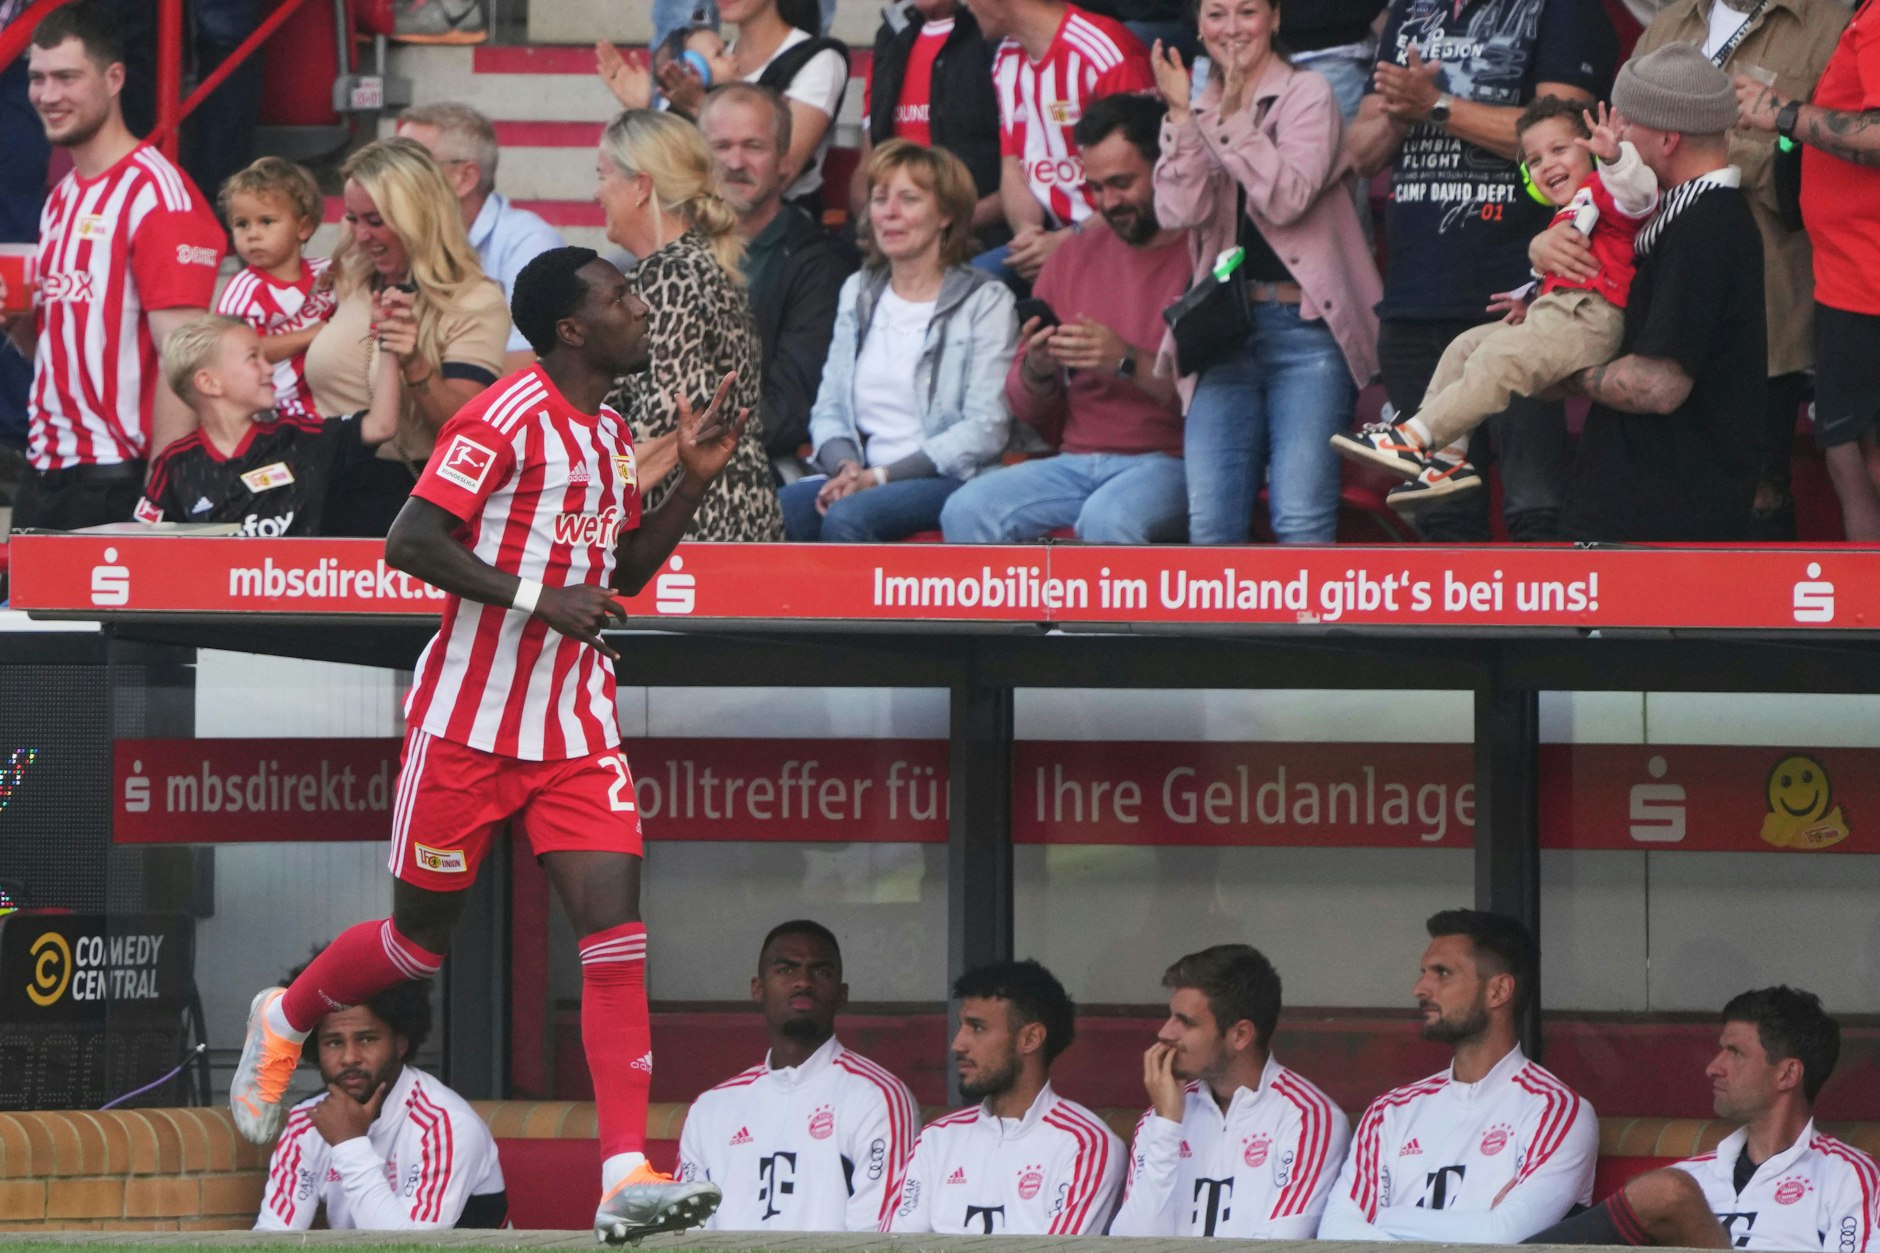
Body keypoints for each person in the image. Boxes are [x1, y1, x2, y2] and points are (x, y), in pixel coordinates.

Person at [227, 246, 747, 1245]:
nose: (641, 310)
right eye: (622, 298)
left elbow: (623, 569)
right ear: (570, 327)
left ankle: (624, 1172)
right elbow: (410, 538)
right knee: (415, 944)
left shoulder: (604, 433)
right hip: (467, 721)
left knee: (615, 941)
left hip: (574, 726)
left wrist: (686, 479)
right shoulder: (501, 415)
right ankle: (285, 1013)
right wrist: (534, 596)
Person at [1345, 0, 1616, 541]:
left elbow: (1562, 137)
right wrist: (1406, 109)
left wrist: (1436, 104)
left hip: (1516, 293)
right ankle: (1457, 631)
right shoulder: (1410, 11)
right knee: (1439, 510)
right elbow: (1360, 155)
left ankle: (1544, 628)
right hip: (1414, 296)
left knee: (1534, 504)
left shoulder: (1564, 11)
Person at [1334, 99, 1656, 511]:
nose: (1547, 165)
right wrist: (1531, 296)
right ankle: (1447, 459)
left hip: (1591, 320)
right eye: (1534, 159)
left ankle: (1414, 437)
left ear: (1591, 151)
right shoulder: (1566, 211)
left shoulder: (1608, 189)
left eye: (1560, 150)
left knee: (1497, 357)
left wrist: (1615, 158)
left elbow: (1641, 197)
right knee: (1464, 346)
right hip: (1555, 316)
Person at [1151, 0, 1382, 545]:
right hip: (1223, 333)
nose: (1231, 29)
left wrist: (1231, 121)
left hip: (1304, 330)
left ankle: (1298, 635)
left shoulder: (1310, 93)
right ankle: (1223, 636)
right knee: (1211, 528)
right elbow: (1177, 213)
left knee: (1301, 522)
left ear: (1275, 19)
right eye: (1216, 14)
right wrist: (1183, 117)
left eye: (1247, 12)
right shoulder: (1198, 105)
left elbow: (1287, 198)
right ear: (1199, 26)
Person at [6, 2, 223, 531]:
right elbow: (62, 350)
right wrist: (16, 322)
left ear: (114, 78)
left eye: (66, 77)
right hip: (45, 472)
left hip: (116, 482)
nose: (48, 95)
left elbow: (185, 362)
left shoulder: (158, 197)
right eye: (37, 78)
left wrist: (155, 504)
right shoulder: (60, 198)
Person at [1635, 0, 1846, 539]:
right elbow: (1621, 135)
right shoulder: (1672, 19)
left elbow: (1832, 153)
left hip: (1767, 290)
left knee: (1758, 488)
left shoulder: (1831, 20)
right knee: (1660, 480)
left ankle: (1764, 623)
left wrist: (1697, 156)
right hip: (1657, 276)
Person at [939, 94, 1192, 543]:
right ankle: (1020, 618)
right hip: (1077, 460)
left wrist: (1126, 360)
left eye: (1121, 183)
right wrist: (1038, 369)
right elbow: (1030, 408)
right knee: (967, 510)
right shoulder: (1071, 256)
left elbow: (1216, 403)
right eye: (1096, 188)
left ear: (1163, 166)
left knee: (1107, 520)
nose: (1108, 203)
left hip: (1174, 461)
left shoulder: (1203, 250)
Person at [1550, 44, 1765, 542]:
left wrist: (1563, 371)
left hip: (1661, 530)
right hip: (1641, 515)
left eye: (1627, 124)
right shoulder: (1671, 218)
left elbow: (1657, 385)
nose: (1614, 136)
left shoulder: (1706, 227)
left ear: (1668, 139)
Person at [782, 141, 1015, 541]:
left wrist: (880, 477)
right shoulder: (858, 290)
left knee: (848, 517)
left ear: (945, 214)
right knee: (774, 511)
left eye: (908, 199)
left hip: (949, 478)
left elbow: (985, 427)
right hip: (860, 472)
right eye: (880, 198)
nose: (889, 212)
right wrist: (847, 470)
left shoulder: (986, 300)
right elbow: (829, 407)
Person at [1318, 909, 1598, 1241]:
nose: (1420, 988)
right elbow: (1335, 1236)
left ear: (1498, 991)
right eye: (1424, 972)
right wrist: (1478, 1221)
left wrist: (1386, 1218)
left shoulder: (1555, 1110)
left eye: (1443, 973)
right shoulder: (1389, 1110)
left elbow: (1500, 1237)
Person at [1529, 987, 1874, 1250]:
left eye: (1735, 1052)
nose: (1713, 1068)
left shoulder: (1847, 1178)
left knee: (1669, 1193)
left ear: (1787, 1074)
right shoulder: (1695, 1174)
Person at [303, 138, 509, 538]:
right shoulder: (354, 275)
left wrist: (414, 362)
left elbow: (468, 430)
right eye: (353, 219)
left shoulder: (474, 299)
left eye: (376, 220)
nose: (362, 235)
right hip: (321, 484)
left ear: (419, 215)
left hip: (402, 499)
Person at [597, 109, 784, 541]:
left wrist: (573, 509)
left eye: (603, 176)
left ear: (641, 186)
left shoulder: (670, 275)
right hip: (729, 504)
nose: (596, 192)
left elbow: (671, 425)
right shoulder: (700, 262)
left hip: (692, 524)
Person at [1732, 0, 1880, 541]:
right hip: (1849, 276)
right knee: (1846, 454)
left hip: (1871, 280)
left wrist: (1785, 113)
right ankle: (1868, 614)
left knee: (1866, 459)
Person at [676, 920, 919, 1231]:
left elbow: (880, 1240)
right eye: (786, 969)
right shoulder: (710, 1108)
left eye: (821, 971)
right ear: (757, 989)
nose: (803, 981)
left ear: (842, 994)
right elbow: (686, 1234)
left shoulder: (878, 1098)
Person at [1110, 945, 1350, 1238]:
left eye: (1185, 1022)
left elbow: (1281, 1247)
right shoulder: (1160, 1117)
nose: (1165, 1033)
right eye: (1170, 1016)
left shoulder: (1308, 1118)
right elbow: (1130, 1243)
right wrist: (1168, 1126)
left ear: (1240, 1035)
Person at [255, 951, 507, 1231]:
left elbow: (409, 1249)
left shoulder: (446, 1125)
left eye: (367, 1039)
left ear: (400, 1043)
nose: (350, 1057)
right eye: (334, 1042)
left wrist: (349, 1144)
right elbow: (273, 1236)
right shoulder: (306, 1122)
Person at [891, 959, 1124, 1235]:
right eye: (961, 1026)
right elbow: (892, 1246)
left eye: (977, 1028)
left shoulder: (1085, 1144)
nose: (958, 1043)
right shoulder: (937, 1138)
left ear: (1030, 1039)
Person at [698, 84, 858, 474]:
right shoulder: (674, 250)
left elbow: (787, 411)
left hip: (757, 465)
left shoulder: (818, 264)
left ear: (785, 161)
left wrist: (682, 444)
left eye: (753, 146)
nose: (735, 161)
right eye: (721, 147)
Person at [135, 315, 398, 536]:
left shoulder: (298, 438)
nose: (270, 368)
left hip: (299, 591)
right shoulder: (176, 464)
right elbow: (139, 543)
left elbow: (381, 426)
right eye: (253, 358)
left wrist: (388, 345)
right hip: (218, 597)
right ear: (209, 383)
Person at [969, 0, 1156, 285]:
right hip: (1049, 242)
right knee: (962, 292)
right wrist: (1027, 235)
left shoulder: (1105, 50)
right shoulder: (1005, 57)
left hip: (1121, 238)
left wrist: (1067, 240)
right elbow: (1015, 167)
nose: (967, 6)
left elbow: (1148, 182)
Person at [396, 103, 566, 373]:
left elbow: (530, 365)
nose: (392, 178)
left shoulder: (530, 243)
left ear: (464, 177)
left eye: (412, 165)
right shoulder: (392, 236)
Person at [655, 0, 849, 215]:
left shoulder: (818, 59)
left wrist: (699, 106)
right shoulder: (712, 58)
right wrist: (641, 107)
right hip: (696, 221)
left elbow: (781, 173)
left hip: (776, 234)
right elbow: (664, 160)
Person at [855, 0, 1005, 248]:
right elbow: (867, 164)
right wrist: (872, 221)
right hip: (894, 238)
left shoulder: (997, 36)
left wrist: (949, 226)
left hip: (978, 237)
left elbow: (1025, 169)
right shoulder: (891, 34)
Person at [214, 157, 336, 422]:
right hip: (274, 412)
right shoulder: (244, 290)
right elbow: (241, 350)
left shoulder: (327, 273)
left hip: (328, 403)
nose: (252, 234)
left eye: (266, 221)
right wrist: (311, 335)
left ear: (303, 227)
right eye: (241, 224)